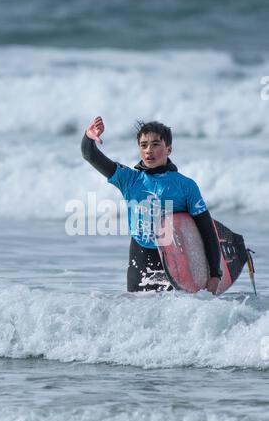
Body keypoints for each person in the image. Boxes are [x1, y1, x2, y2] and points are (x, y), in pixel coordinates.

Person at [81, 116, 222, 294]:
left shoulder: (186, 186)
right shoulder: (129, 179)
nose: (149, 150)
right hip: (139, 259)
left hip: (177, 260)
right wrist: (88, 137)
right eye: (143, 145)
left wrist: (215, 274)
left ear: (168, 149)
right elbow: (90, 155)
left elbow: (206, 230)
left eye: (155, 144)